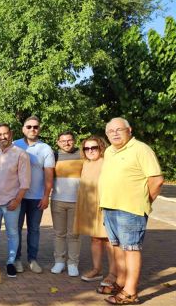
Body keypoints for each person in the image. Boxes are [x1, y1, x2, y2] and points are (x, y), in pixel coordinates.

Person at [99, 118, 163, 305]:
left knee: (131, 249)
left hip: (130, 209)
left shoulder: (141, 149)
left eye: (119, 129)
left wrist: (144, 201)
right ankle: (120, 282)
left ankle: (131, 292)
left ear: (129, 130)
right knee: (117, 247)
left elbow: (156, 180)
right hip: (110, 207)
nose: (115, 133)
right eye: (111, 131)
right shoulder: (110, 151)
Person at [0, 123, 31, 278]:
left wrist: (17, 200)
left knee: (12, 233)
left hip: (11, 202)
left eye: (5, 134)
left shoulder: (21, 154)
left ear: (11, 134)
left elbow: (25, 182)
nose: (2, 137)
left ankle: (11, 262)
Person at [14, 116, 55, 274]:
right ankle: (16, 259)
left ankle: (32, 260)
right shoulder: (14, 145)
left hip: (37, 197)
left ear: (40, 129)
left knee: (34, 230)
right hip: (17, 196)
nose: (32, 129)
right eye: (29, 126)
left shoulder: (45, 148)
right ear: (23, 129)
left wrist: (46, 196)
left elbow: (49, 176)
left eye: (35, 127)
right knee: (15, 229)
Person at [73, 136, 116, 285]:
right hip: (90, 206)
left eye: (94, 148)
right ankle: (97, 269)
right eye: (87, 148)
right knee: (95, 238)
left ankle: (113, 273)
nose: (90, 151)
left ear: (101, 148)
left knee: (109, 239)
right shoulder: (85, 163)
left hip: (105, 205)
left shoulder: (107, 163)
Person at [50, 131, 83, 276]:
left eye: (69, 140)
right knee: (59, 233)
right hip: (58, 200)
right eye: (63, 141)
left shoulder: (83, 155)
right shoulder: (54, 156)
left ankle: (73, 263)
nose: (66, 143)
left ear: (74, 141)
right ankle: (59, 261)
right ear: (58, 142)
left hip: (77, 201)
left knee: (74, 234)